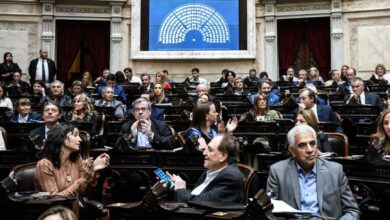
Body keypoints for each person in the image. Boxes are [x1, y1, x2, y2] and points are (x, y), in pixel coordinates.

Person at [267, 124, 360, 219]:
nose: (310, 150)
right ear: (292, 150)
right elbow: (269, 211)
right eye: (302, 145)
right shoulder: (278, 172)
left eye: (312, 143)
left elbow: (352, 211)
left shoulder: (335, 171)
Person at [35, 124, 110, 199]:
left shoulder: (77, 160)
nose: (80, 139)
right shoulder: (45, 164)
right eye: (75, 135)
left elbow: (83, 193)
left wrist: (93, 169)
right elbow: (55, 199)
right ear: (61, 137)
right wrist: (81, 180)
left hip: (75, 207)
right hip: (56, 210)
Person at [169, 134, 244, 203]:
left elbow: (201, 203)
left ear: (223, 156)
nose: (204, 153)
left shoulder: (231, 177)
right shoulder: (212, 170)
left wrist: (180, 190)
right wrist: (177, 186)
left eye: (210, 150)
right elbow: (197, 194)